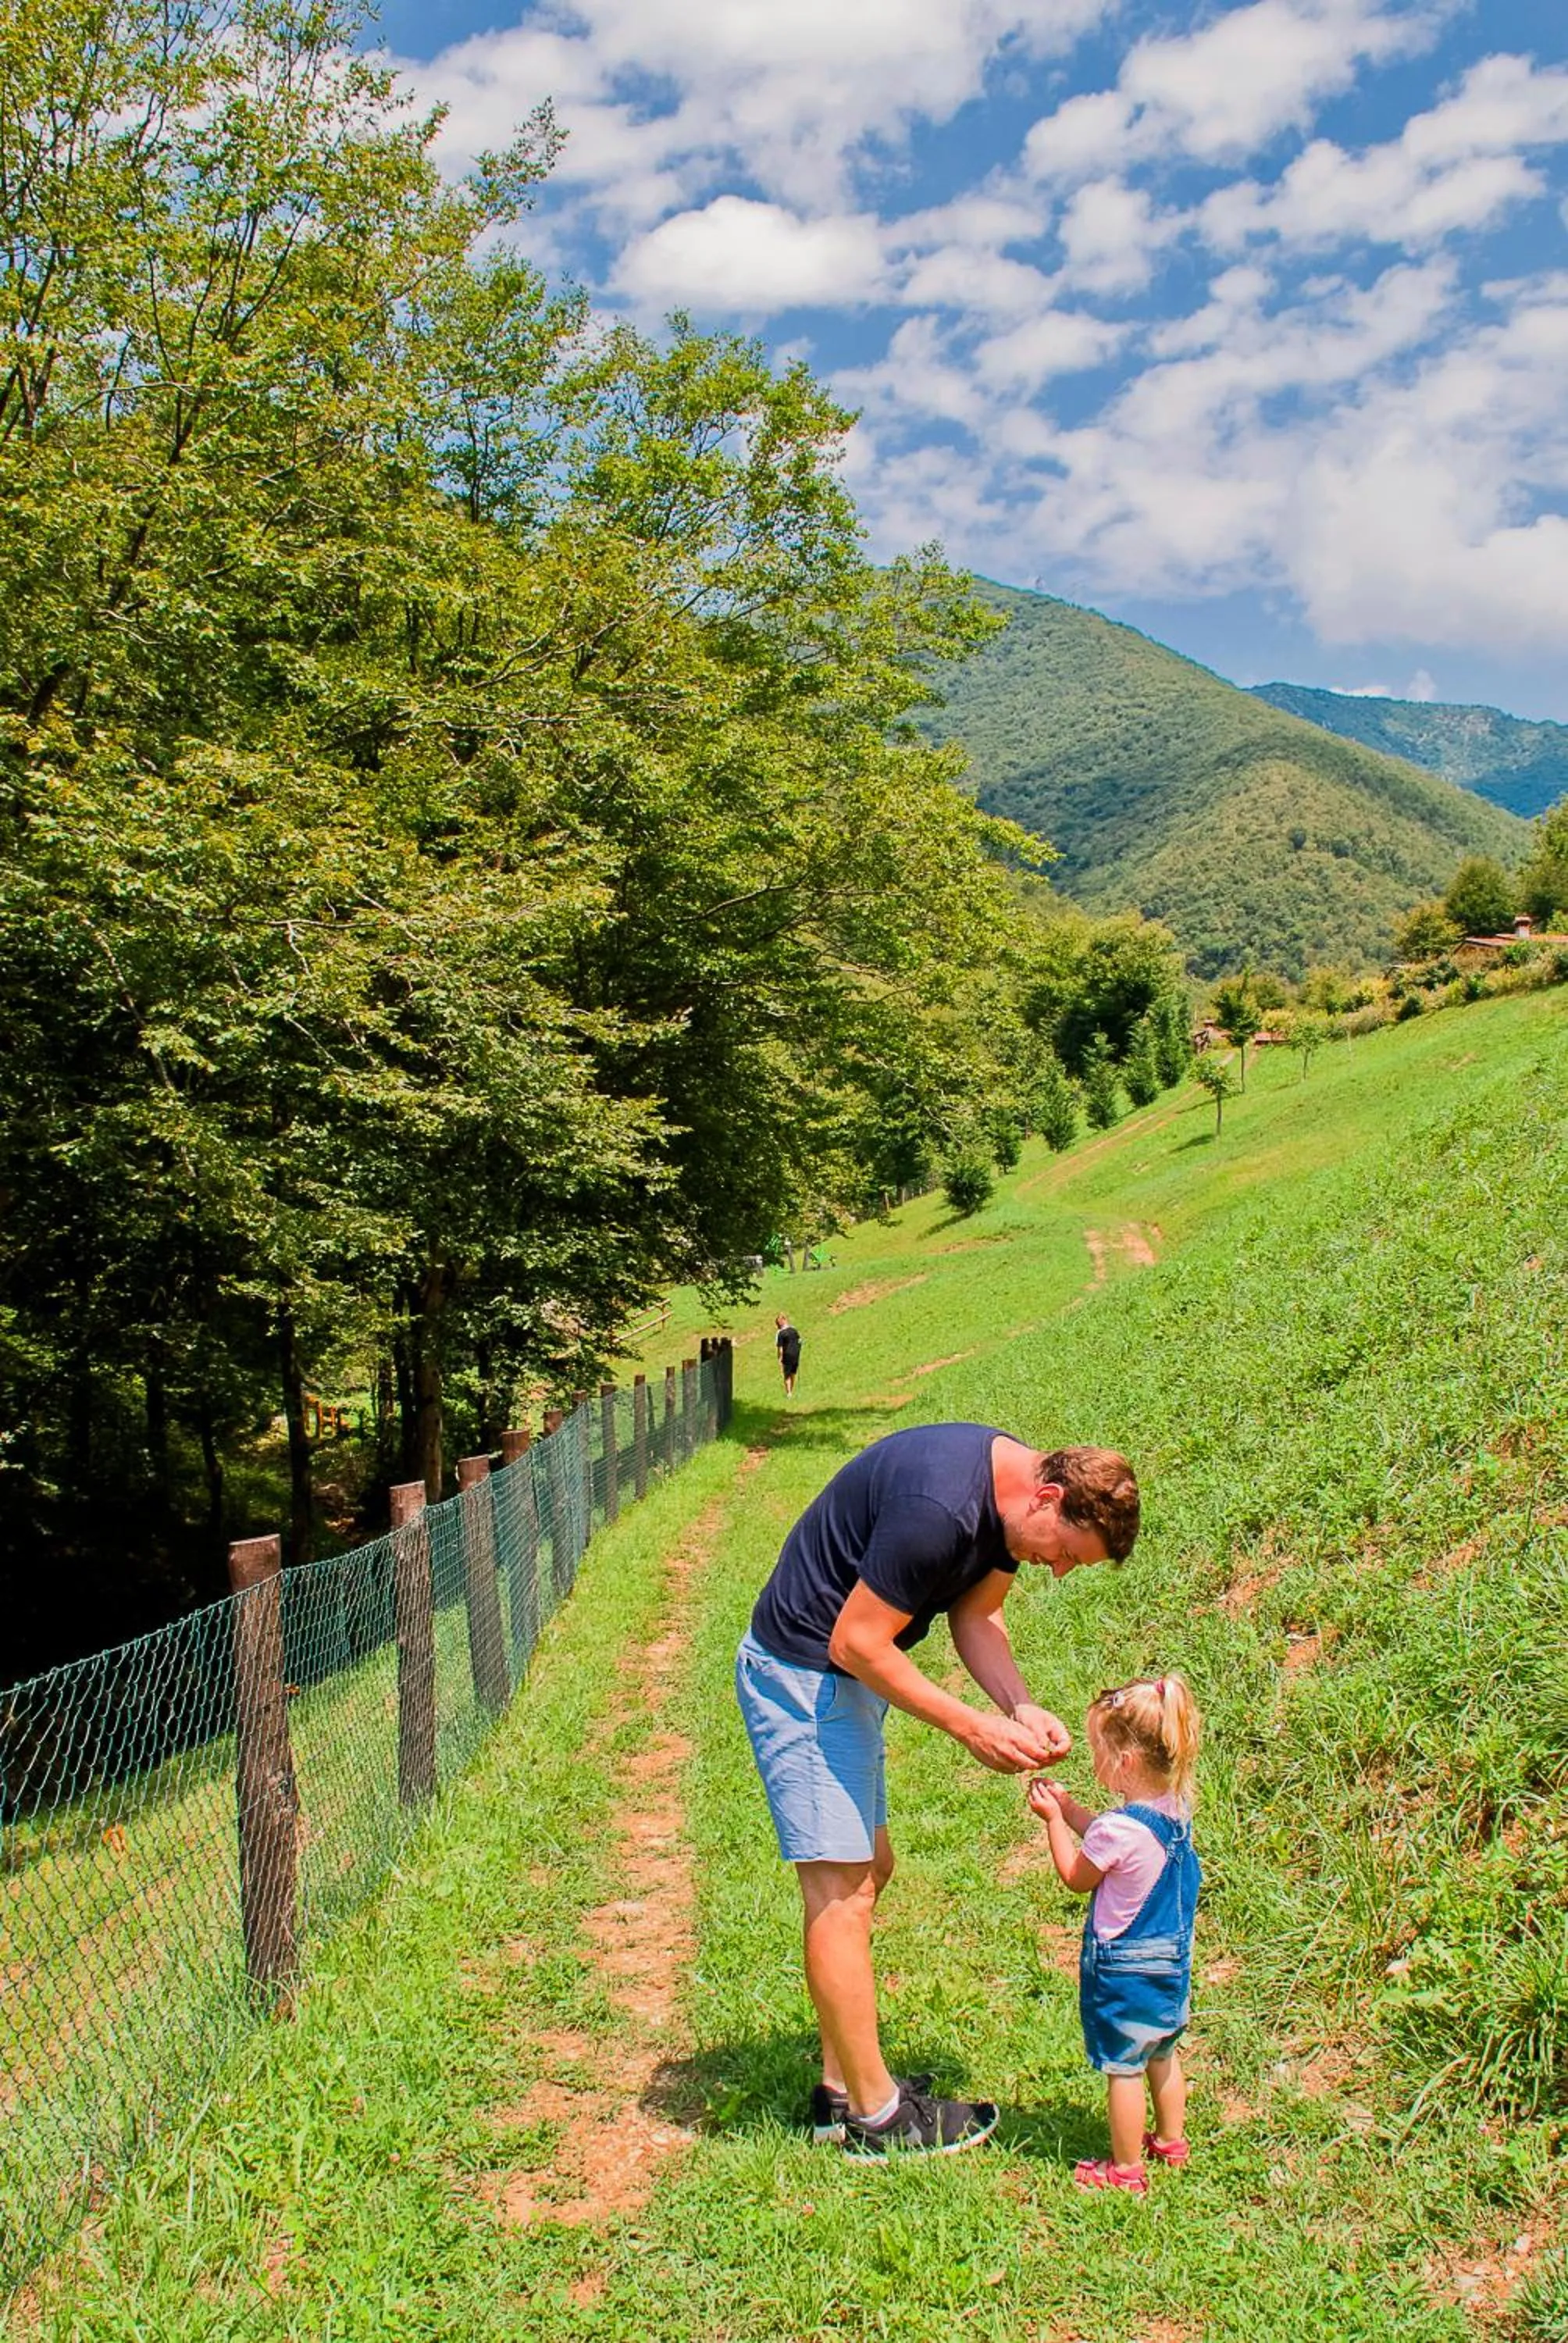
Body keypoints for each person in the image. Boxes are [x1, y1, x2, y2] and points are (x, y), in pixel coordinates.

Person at [734, 1423, 1139, 2159]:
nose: (1057, 1571)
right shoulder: (939, 1507)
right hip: (804, 1676)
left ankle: (839, 2089)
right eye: (1067, 1554)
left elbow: (977, 1613)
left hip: (841, 1683)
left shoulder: (1009, 1503)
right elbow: (854, 1641)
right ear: (1049, 1497)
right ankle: (875, 2117)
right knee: (842, 1890)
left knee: (867, 1873)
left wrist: (1017, 1705)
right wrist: (970, 1727)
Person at [1028, 1674, 1202, 2196]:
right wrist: (1073, 1807)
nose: (1095, 1762)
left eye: (1100, 1752)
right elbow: (1108, 1836)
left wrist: (1055, 1821)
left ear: (1124, 1762)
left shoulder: (1116, 1831)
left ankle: (1125, 2170)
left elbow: (1078, 1876)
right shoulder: (1175, 1811)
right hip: (1171, 1963)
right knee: (1162, 2053)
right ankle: (1171, 2141)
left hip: (1123, 1970)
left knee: (1124, 2067)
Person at [775, 1312, 802, 1395]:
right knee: (793, 1373)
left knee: (787, 1374)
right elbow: (800, 1341)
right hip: (795, 1354)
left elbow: (780, 1349)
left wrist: (780, 1358)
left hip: (787, 1355)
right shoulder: (794, 1330)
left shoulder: (781, 1333)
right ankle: (791, 1391)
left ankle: (789, 1393)